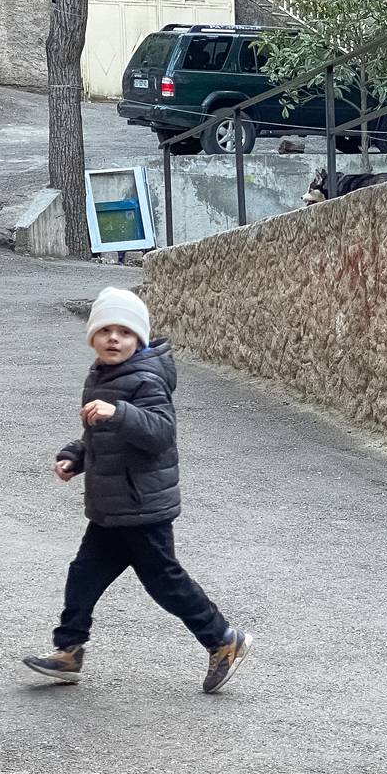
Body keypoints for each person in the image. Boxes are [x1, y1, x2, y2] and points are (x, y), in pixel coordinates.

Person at [22, 287, 250, 694]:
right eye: (105, 330)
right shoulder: (101, 376)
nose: (114, 338)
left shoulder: (146, 379)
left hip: (143, 508)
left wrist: (119, 412)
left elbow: (160, 433)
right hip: (111, 510)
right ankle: (68, 651)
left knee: (166, 584)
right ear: (92, 337)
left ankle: (223, 639)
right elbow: (99, 438)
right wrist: (74, 457)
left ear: (139, 340)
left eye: (125, 332)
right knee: (83, 576)